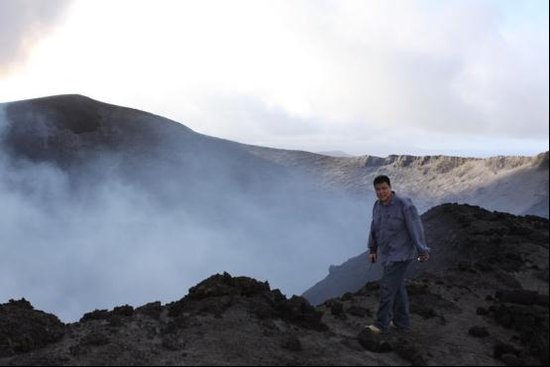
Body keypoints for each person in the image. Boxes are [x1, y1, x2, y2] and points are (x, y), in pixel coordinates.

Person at [366, 175, 430, 334]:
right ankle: (402, 322)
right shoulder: (377, 206)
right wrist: (373, 249)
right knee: (397, 287)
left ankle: (381, 324)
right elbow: (374, 228)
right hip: (387, 253)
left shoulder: (404, 205)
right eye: (378, 189)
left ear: (390, 187)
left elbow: (415, 228)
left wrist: (422, 250)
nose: (381, 192)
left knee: (387, 288)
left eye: (384, 188)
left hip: (401, 254)